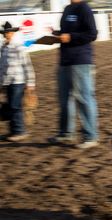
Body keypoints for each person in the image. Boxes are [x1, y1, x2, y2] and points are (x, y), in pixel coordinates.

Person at [48, 0, 99, 149]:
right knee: (64, 99)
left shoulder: (84, 8)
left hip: (80, 59)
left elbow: (92, 34)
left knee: (84, 98)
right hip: (65, 60)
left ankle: (90, 136)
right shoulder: (68, 9)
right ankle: (65, 133)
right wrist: (57, 34)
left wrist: (70, 37)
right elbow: (69, 32)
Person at [0, 21, 36, 142]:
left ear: (12, 33)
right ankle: (13, 131)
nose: (6, 35)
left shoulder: (18, 47)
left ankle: (20, 131)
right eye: (5, 33)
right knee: (10, 106)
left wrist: (30, 83)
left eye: (8, 32)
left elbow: (27, 65)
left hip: (18, 81)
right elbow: (2, 66)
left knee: (15, 106)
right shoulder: (3, 48)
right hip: (7, 81)